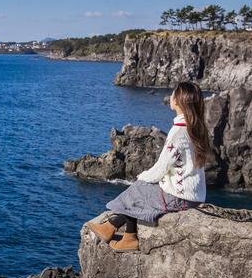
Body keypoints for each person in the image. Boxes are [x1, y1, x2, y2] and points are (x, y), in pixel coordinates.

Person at [87, 81, 210, 252]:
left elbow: (161, 168)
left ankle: (113, 227)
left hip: (181, 197)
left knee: (139, 187)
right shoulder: (196, 127)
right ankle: (127, 235)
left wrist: (141, 177)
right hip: (194, 195)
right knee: (141, 190)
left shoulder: (179, 132)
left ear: (179, 101)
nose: (171, 96)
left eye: (174, 93)